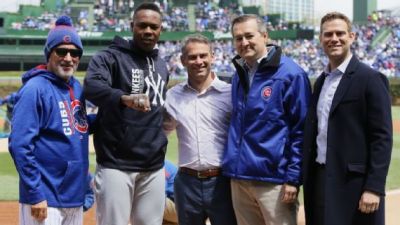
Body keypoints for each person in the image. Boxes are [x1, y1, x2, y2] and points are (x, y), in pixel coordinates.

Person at [302, 12, 393, 225]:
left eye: (340, 33)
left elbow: (382, 138)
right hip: (320, 177)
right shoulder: (321, 81)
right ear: (321, 39)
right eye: (328, 34)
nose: (334, 38)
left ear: (352, 36)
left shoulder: (370, 79)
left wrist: (374, 187)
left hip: (355, 184)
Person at [83, 3, 169, 225]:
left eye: (153, 26)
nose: (148, 31)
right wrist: (122, 97)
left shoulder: (162, 64)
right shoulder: (109, 57)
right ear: (132, 26)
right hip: (115, 164)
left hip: (153, 166)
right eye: (142, 25)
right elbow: (91, 87)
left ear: (160, 30)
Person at [222, 14, 311, 225]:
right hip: (240, 177)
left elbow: (301, 130)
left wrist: (293, 178)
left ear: (264, 35)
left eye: (249, 36)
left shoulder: (291, 74)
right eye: (238, 38)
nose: (244, 42)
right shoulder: (239, 73)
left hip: (274, 182)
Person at [8, 15, 89, 225]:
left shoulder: (77, 87)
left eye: (75, 52)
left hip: (73, 196)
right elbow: (19, 145)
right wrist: (35, 193)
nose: (69, 58)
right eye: (61, 51)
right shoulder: (34, 89)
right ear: (49, 54)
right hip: (45, 197)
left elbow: (78, 127)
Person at [163, 34, 237, 225]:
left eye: (203, 56)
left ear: (212, 56)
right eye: (192, 57)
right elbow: (162, 133)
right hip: (186, 182)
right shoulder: (173, 95)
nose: (199, 61)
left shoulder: (230, 94)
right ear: (183, 61)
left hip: (222, 181)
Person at [163, 160, 178, 225]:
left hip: (179, 209)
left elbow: (159, 193)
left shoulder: (161, 165)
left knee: (144, 199)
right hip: (178, 208)